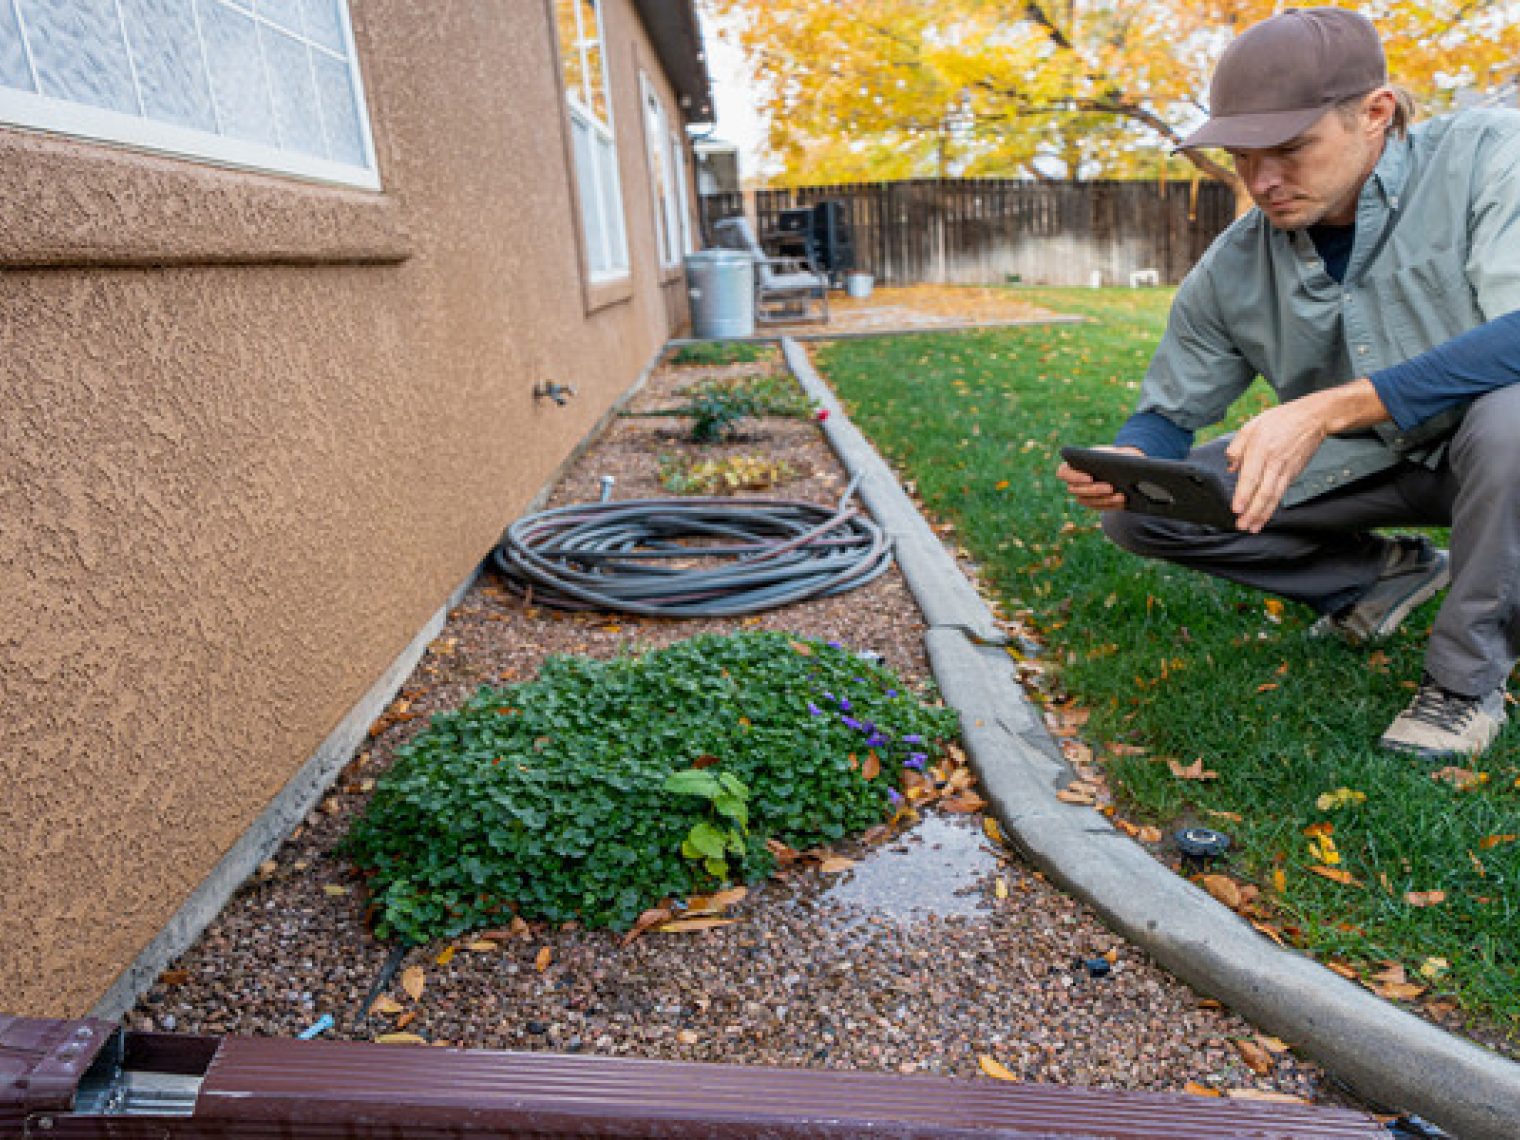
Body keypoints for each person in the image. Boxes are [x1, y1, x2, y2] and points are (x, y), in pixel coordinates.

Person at [1056, 7, 1520, 760]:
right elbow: (1167, 413)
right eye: (1243, 156)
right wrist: (1136, 458)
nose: (1262, 182)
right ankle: (1379, 577)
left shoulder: (1492, 156)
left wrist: (1335, 407)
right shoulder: (1235, 264)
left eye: (1290, 149)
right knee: (1146, 513)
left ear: (1375, 114)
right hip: (1378, 465)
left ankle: (1464, 686)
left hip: (1496, 453)